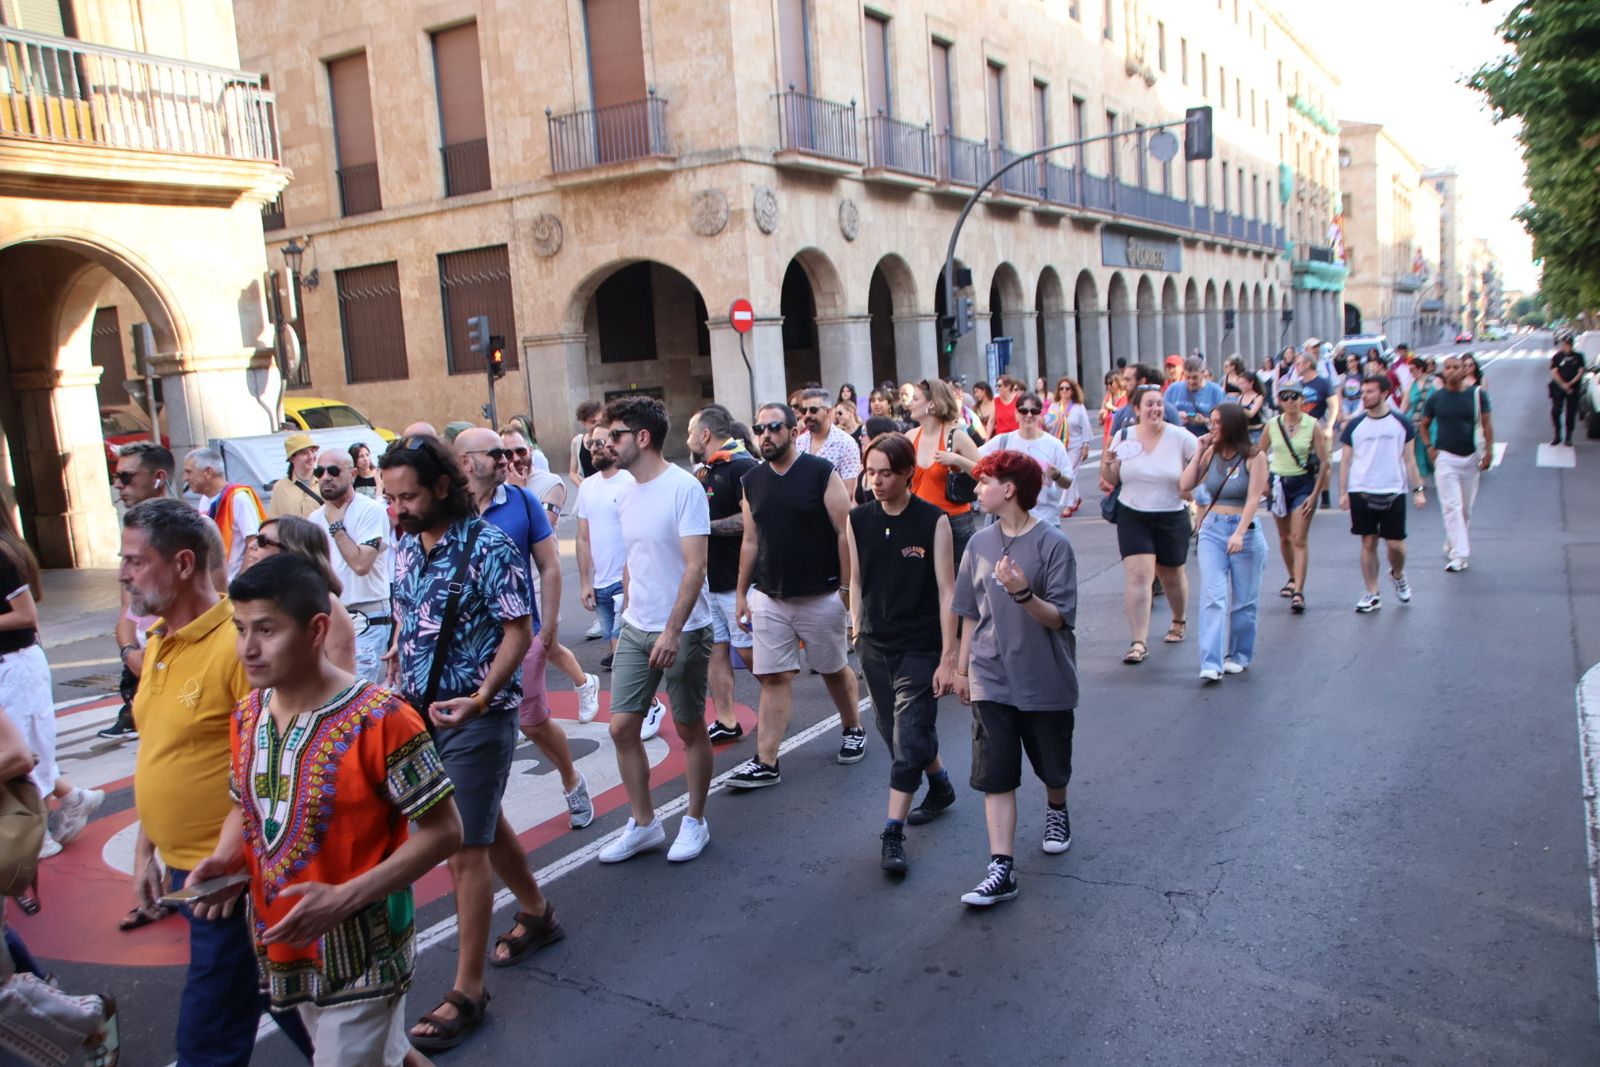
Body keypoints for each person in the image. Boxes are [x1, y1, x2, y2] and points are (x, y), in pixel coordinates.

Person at [187, 554, 462, 1067]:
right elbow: (248, 804)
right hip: (287, 946)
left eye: (266, 629)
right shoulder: (248, 714)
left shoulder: (383, 719)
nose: (247, 648)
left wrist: (343, 898)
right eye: (240, 628)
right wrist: (229, 858)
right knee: (386, 1056)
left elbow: (445, 832)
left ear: (316, 629)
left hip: (366, 950)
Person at [379, 436, 560, 1052]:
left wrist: (481, 698)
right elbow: (410, 616)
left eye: (407, 496)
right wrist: (397, 660)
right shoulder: (406, 547)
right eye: (389, 496)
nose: (396, 508)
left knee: (464, 850)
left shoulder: (488, 546)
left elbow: (519, 630)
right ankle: (536, 912)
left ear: (439, 488)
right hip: (416, 716)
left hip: (475, 717)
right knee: (483, 821)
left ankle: (469, 990)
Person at [119, 497, 314, 1063]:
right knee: (297, 1008)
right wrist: (145, 852)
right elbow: (163, 753)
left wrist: (232, 862)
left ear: (183, 565)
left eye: (135, 560)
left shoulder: (241, 643)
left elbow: (267, 766)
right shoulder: (158, 641)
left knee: (206, 1040)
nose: (123, 574)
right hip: (192, 873)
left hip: (231, 880)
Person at [949, 451, 1078, 907]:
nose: (977, 488)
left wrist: (1023, 592)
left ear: (1009, 490)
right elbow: (968, 612)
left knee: (1051, 764)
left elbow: (1060, 618)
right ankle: (1001, 868)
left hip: (1044, 676)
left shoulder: (1053, 544)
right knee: (995, 773)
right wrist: (962, 669)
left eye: (984, 481)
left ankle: (1057, 809)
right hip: (990, 675)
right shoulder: (979, 543)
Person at [456, 428, 598, 832]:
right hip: (466, 646)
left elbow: (550, 565)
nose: (507, 459)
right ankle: (483, 818)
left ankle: (572, 780)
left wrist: (548, 628)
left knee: (533, 722)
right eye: (496, 453)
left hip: (521, 634)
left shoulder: (522, 501)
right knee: (472, 727)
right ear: (466, 462)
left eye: (509, 452)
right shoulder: (449, 509)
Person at [593, 396, 716, 864]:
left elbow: (695, 567)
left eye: (616, 435)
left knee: (688, 728)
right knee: (622, 727)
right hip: (636, 626)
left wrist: (670, 631)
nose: (607, 442)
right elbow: (634, 560)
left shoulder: (683, 488)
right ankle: (644, 824)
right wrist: (627, 618)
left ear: (642, 439)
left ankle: (695, 820)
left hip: (683, 630)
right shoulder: (623, 491)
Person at [730, 402, 867, 788]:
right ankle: (766, 761)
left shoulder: (821, 473)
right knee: (774, 677)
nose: (765, 435)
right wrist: (742, 593)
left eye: (774, 427)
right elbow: (750, 540)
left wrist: (845, 587)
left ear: (793, 432)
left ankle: (853, 727)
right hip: (769, 597)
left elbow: (845, 531)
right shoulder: (752, 481)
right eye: (760, 429)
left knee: (833, 669)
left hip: (820, 594)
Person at [848, 435, 959, 874]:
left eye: (885, 473)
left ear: (907, 473)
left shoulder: (934, 521)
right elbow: (856, 580)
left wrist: (949, 656)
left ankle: (892, 832)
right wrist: (856, 629)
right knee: (893, 728)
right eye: (870, 471)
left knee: (907, 737)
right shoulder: (858, 520)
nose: (875, 481)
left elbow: (948, 590)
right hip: (874, 642)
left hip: (920, 644)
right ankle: (941, 784)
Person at [0, 513, 102, 858]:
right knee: (27, 747)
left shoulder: (2, 554)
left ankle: (38, 835)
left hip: (16, 666)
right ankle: (73, 798)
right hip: (16, 665)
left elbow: (26, 615)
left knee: (24, 751)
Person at [1100, 386, 1198, 664]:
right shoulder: (1123, 436)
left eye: (1159, 404)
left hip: (1171, 514)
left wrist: (1191, 489)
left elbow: (1200, 464)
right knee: (1138, 576)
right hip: (1133, 513)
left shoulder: (1181, 438)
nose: (1156, 409)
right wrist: (1108, 462)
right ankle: (1138, 642)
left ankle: (1179, 619)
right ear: (1137, 409)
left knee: (1171, 574)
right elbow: (1110, 477)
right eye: (1149, 405)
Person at [101, 440, 188, 740]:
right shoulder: (131, 532)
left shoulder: (194, 529)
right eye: (115, 477)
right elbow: (127, 611)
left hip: (182, 663)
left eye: (126, 477)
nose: (118, 485)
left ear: (158, 477)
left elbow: (214, 604)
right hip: (143, 663)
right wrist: (130, 654)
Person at [1180, 403, 1269, 681]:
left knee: (1244, 601)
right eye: (1212, 422)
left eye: (1217, 423)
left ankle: (1239, 655)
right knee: (1213, 595)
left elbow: (1253, 498)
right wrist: (1198, 450)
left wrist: (1240, 532)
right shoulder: (1211, 453)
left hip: (1245, 529)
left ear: (1231, 425)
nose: (1212, 427)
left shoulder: (1255, 457)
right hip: (1213, 529)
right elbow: (1185, 484)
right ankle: (1211, 661)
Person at [688, 405, 758, 744]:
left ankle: (777, 704)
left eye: (690, 432)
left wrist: (700, 529)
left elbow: (750, 522)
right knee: (716, 651)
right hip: (710, 582)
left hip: (738, 581)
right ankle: (727, 720)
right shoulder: (705, 470)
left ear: (705, 434)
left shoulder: (743, 466)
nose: (687, 439)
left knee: (749, 652)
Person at [1339, 375, 1428, 614]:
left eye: (1370, 391)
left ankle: (1398, 574)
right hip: (1361, 489)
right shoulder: (1355, 425)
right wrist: (1343, 492)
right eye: (1363, 391)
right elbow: (1346, 461)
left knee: (1395, 545)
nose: (1364, 396)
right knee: (1368, 542)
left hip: (1393, 490)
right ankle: (1372, 593)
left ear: (1385, 393)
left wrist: (1418, 490)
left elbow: (1409, 460)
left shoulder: (1401, 423)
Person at [308, 447, 393, 684]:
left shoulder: (371, 510)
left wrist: (336, 527)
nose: (325, 477)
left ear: (353, 474)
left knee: (356, 695)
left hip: (367, 616)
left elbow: (360, 564)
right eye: (319, 471)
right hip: (330, 616)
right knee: (330, 694)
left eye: (333, 471)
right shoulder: (314, 519)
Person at [245, 516, 358, 675]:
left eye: (262, 541)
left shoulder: (328, 605)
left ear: (291, 551)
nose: (251, 546)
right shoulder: (259, 600)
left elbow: (344, 679)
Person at [1420, 355, 1494, 573]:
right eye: (1448, 367)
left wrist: (1489, 452)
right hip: (1446, 459)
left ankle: (1453, 541)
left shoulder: (1477, 395)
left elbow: (1488, 424)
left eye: (1456, 367)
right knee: (1452, 506)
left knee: (1465, 510)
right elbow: (1424, 425)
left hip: (1471, 457)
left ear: (1464, 371)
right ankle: (1460, 554)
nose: (1451, 371)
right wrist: (1429, 447)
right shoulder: (1436, 398)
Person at [1262, 382, 1330, 614]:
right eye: (1285, 397)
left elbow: (1324, 463)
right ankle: (1292, 577)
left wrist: (1314, 494)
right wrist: (1263, 482)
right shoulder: (1273, 425)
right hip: (1279, 484)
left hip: (1303, 484)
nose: (1290, 401)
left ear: (1302, 400)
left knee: (1299, 537)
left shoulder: (1312, 425)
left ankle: (1299, 591)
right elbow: (1260, 454)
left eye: (1295, 397)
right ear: (1280, 401)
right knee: (1284, 537)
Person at [575, 425, 634, 675]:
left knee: (622, 652)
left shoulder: (630, 482)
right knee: (614, 645)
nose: (595, 449)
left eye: (600, 443)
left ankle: (643, 704)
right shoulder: (587, 486)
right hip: (600, 582)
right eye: (590, 444)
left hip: (626, 579)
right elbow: (582, 538)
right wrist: (585, 583)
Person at [905, 378, 982, 564]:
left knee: (960, 583)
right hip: (919, 521)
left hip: (954, 523)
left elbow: (986, 473)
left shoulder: (956, 437)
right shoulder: (910, 437)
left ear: (931, 404)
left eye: (915, 399)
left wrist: (957, 460)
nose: (909, 404)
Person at [978, 394, 1075, 527]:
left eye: (1034, 411)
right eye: (1023, 411)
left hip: (1045, 520)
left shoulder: (1054, 444)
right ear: (1016, 414)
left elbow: (1068, 482)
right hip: (1010, 522)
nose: (1029, 415)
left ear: (1040, 415)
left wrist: (1057, 475)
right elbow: (976, 457)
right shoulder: (1002, 441)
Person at [184, 446, 265, 582]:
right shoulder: (204, 499)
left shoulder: (239, 498)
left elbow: (254, 544)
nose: (185, 478)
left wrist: (240, 581)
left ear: (208, 472)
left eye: (189, 472)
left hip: (234, 586)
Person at [793, 387, 863, 481]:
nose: (808, 415)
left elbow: (848, 492)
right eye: (804, 411)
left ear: (828, 411)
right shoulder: (798, 443)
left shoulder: (846, 444)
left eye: (813, 410)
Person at [1048, 378, 1095, 516]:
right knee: (1062, 474)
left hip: (1075, 445)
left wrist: (1085, 445)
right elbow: (1049, 424)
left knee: (1070, 474)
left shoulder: (1078, 407)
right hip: (1059, 445)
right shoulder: (1054, 407)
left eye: (1067, 388)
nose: (1064, 391)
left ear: (1073, 390)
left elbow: (1085, 427)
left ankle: (1068, 505)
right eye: (1061, 388)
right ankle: (1076, 498)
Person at [1109, 363, 1183, 435]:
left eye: (1128, 380)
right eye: (1124, 380)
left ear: (1141, 381)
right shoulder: (1121, 413)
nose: (1124, 384)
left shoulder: (1168, 410)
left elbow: (1180, 439)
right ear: (1137, 409)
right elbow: (1109, 446)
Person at [1165, 356, 1228, 436]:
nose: (1191, 382)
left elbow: (1224, 423)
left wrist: (1205, 421)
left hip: (1205, 440)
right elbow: (1162, 416)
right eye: (1187, 378)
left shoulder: (1217, 392)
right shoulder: (1173, 389)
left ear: (1203, 373)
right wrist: (1175, 416)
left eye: (1195, 378)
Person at [268, 434, 324, 520]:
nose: (311, 456)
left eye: (312, 451)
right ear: (292, 458)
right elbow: (273, 521)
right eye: (304, 453)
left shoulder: (325, 481)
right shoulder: (279, 488)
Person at [1550, 331, 1585, 446]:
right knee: (1556, 411)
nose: (1566, 346)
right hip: (1559, 387)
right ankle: (1557, 435)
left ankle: (1569, 436)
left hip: (1573, 388)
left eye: (1568, 344)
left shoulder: (1578, 357)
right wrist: (1563, 385)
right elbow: (1554, 372)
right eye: (1564, 344)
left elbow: (1580, 371)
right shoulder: (1557, 357)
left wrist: (1570, 384)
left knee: (1571, 413)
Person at [568, 399, 604, 486]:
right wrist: (583, 487)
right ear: (583, 422)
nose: (597, 424)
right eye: (593, 421)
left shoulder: (609, 440)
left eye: (600, 421)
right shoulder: (577, 441)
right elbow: (572, 473)